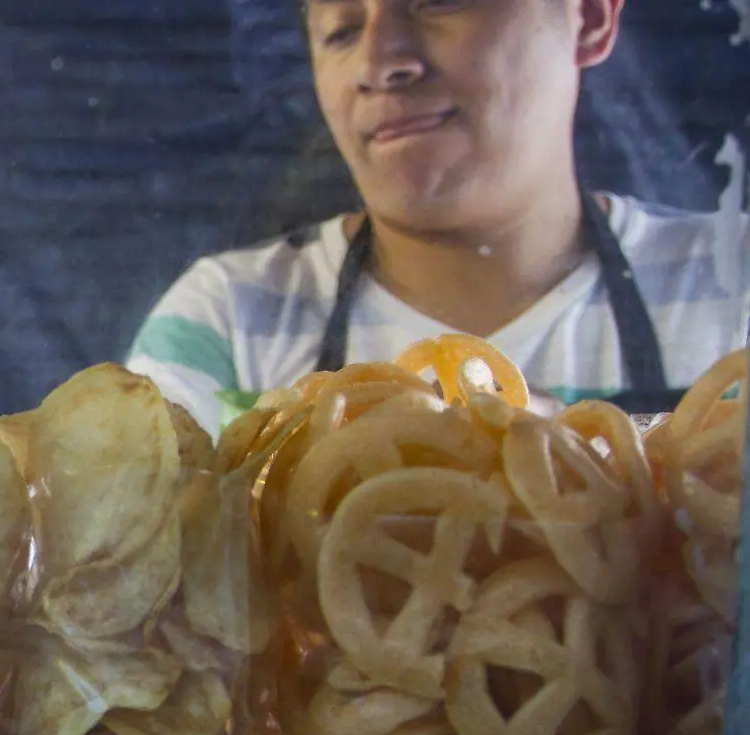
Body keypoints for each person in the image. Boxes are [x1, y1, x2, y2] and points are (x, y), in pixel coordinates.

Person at [125, 0, 750, 434]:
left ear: (587, 18)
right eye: (342, 29)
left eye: (438, 3)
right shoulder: (227, 325)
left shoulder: (734, 293)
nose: (380, 62)